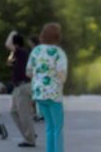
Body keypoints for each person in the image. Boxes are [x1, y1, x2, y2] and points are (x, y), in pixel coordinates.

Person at [27, 23, 67, 152]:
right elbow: (62, 76)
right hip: (53, 94)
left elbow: (28, 72)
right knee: (58, 128)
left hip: (39, 93)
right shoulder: (58, 53)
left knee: (49, 127)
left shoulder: (36, 51)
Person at [7, 32, 36, 148]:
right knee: (13, 112)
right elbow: (9, 63)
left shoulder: (21, 52)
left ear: (15, 44)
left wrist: (12, 33)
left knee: (24, 114)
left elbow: (7, 44)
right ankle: (29, 134)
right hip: (18, 87)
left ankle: (30, 139)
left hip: (23, 87)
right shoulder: (19, 54)